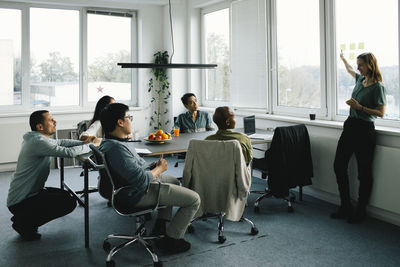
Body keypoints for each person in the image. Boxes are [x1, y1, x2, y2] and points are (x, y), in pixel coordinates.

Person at [99, 103, 200, 253]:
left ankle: (161, 224)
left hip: (129, 189)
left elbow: (131, 170)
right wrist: (159, 169)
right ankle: (172, 240)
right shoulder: (116, 149)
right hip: (136, 194)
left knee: (173, 181)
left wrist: (150, 166)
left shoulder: (110, 143)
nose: (130, 121)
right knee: (194, 200)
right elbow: (140, 180)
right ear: (120, 122)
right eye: (129, 117)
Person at [7, 110, 100, 241]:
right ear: (40, 127)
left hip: (31, 193)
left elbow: (62, 142)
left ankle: (23, 217)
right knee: (67, 203)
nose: (55, 121)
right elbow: (68, 152)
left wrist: (83, 143)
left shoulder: (37, 138)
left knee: (65, 196)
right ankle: (24, 223)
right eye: (51, 120)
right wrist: (91, 145)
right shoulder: (37, 142)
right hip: (20, 201)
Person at [331, 52, 386, 224]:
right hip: (350, 126)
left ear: (370, 65)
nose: (358, 68)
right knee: (339, 165)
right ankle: (346, 205)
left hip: (365, 131)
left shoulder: (378, 87)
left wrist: (360, 107)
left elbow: (381, 113)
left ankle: (360, 211)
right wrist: (343, 59)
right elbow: (348, 70)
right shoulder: (359, 80)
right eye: (357, 65)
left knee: (364, 173)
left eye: (361, 64)